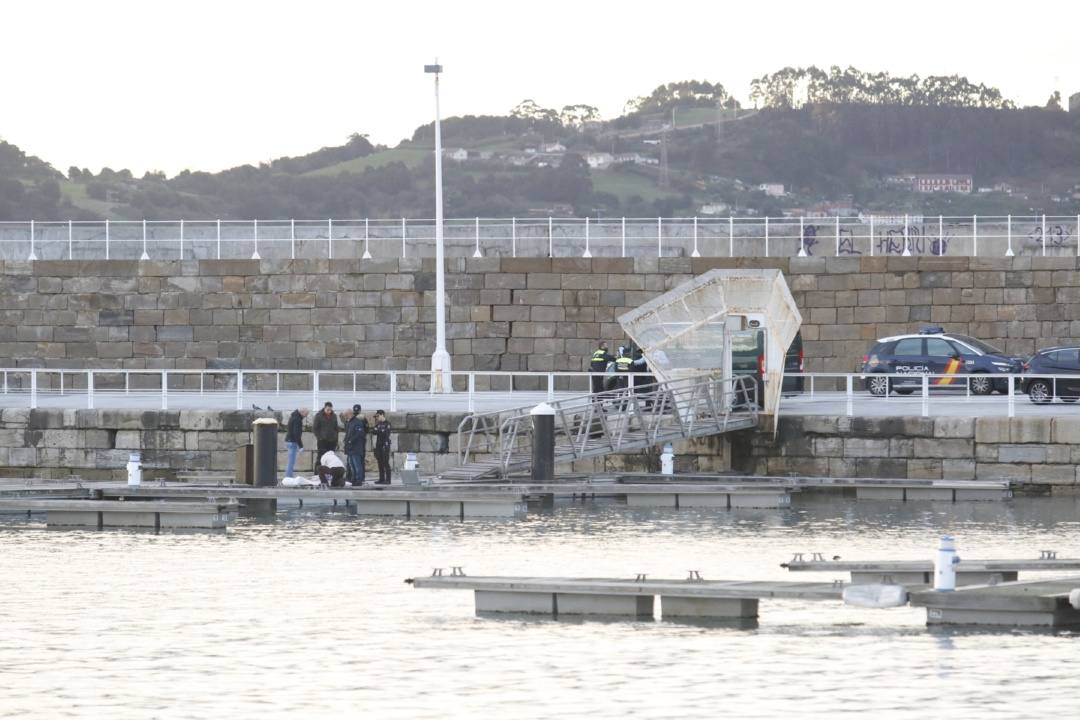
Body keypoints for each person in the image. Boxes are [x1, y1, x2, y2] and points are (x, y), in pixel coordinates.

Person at [343, 403, 369, 486]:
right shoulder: (349, 422)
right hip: (350, 448)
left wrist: (350, 441)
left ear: (349, 414)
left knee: (357, 465)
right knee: (351, 465)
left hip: (356, 447)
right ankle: (353, 478)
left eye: (346, 415)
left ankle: (359, 480)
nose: (345, 417)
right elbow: (347, 434)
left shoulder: (357, 422)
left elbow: (359, 434)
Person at [312, 401, 339, 471]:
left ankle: (329, 473)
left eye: (330, 410)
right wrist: (320, 437)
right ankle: (317, 473)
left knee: (331, 458)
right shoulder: (318, 415)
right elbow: (315, 428)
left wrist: (336, 438)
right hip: (322, 441)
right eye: (327, 410)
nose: (329, 411)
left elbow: (336, 428)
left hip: (332, 441)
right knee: (320, 457)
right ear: (324, 408)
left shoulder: (334, 416)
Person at [283, 407, 308, 478]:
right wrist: (301, 446)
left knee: (290, 461)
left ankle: (289, 476)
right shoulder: (297, 419)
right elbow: (296, 433)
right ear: (302, 412)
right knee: (291, 461)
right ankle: (288, 477)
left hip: (289, 440)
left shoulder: (294, 416)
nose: (305, 416)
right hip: (292, 442)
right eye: (306, 414)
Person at [372, 410, 392, 485]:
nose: (377, 418)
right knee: (380, 463)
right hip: (378, 445)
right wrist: (380, 430)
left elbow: (386, 433)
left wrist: (379, 431)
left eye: (378, 416)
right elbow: (374, 432)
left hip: (385, 445)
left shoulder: (388, 423)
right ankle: (381, 479)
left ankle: (388, 479)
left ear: (382, 415)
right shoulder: (378, 424)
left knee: (385, 462)